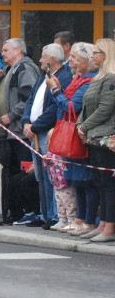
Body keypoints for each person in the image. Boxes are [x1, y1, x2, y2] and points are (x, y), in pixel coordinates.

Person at [16, 43, 71, 228]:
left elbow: (55, 107)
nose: (40, 60)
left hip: (47, 133)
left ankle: (56, 215)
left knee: (53, 176)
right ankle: (45, 213)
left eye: (43, 56)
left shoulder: (64, 77)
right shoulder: (42, 76)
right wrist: (26, 122)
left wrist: (36, 125)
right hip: (35, 132)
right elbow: (31, 100)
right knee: (40, 176)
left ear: (53, 59)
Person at [48, 42, 97, 236]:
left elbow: (70, 108)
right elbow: (62, 105)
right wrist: (58, 90)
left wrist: (55, 90)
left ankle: (87, 220)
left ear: (88, 61)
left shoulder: (88, 81)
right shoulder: (78, 78)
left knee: (86, 179)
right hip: (71, 133)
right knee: (77, 179)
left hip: (80, 136)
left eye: (76, 58)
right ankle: (79, 218)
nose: (71, 62)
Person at [0, 38, 40, 223]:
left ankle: (29, 212)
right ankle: (16, 212)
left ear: (18, 50)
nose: (2, 53)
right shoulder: (12, 70)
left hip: (21, 133)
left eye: (5, 50)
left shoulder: (25, 69)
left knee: (23, 173)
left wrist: (12, 115)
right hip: (11, 133)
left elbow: (29, 97)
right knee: (12, 174)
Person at [75, 38, 115, 242]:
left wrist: (85, 126)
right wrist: (80, 126)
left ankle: (110, 226)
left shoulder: (111, 78)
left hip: (105, 137)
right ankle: (102, 225)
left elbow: (105, 108)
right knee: (99, 182)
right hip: (92, 136)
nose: (93, 55)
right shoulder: (97, 78)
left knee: (108, 183)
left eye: (97, 52)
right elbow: (87, 106)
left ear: (106, 55)